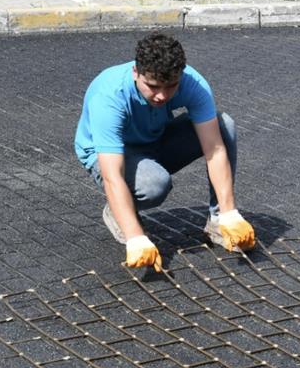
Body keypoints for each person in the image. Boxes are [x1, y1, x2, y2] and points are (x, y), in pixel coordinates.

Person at [74, 32, 257, 272]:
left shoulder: (192, 83)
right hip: (114, 156)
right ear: (135, 73)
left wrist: (229, 213)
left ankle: (217, 221)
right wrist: (136, 238)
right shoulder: (110, 96)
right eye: (152, 86)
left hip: (154, 139)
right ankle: (120, 211)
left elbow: (214, 148)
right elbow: (112, 175)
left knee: (224, 126)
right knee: (154, 184)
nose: (161, 95)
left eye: (171, 86)